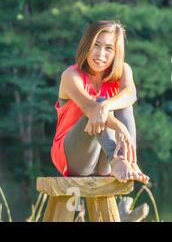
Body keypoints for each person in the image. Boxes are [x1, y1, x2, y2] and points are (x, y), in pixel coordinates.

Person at [51, 20, 149, 184]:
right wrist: (118, 126)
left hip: (104, 161)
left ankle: (130, 161)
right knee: (97, 108)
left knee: (121, 104)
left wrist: (106, 106)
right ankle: (117, 159)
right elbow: (90, 108)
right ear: (86, 45)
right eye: (96, 45)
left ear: (116, 52)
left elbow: (131, 94)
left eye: (109, 48)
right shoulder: (71, 75)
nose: (100, 54)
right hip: (74, 158)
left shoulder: (123, 70)